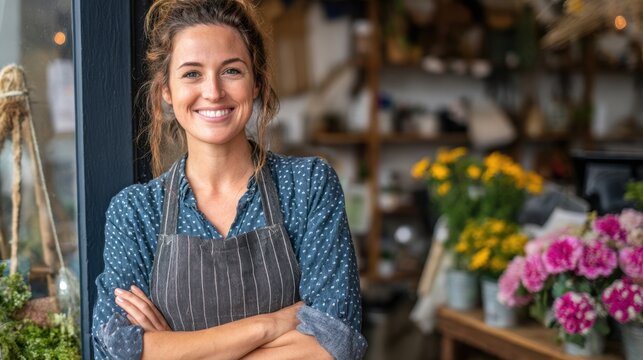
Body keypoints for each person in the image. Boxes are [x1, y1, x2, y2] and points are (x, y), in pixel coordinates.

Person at [91, 0, 367, 359]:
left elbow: (336, 342)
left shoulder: (308, 185)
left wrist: (176, 349)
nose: (213, 92)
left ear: (256, 83)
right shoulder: (136, 211)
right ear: (166, 91)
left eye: (232, 71)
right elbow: (116, 349)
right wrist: (269, 325)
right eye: (192, 73)